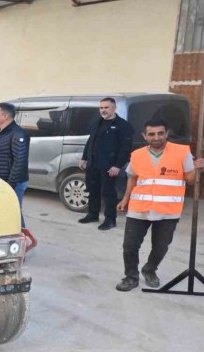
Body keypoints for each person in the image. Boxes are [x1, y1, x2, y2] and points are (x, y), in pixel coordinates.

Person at [115, 119, 204, 291]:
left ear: (167, 133)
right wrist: (125, 198)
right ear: (144, 136)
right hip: (139, 208)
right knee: (130, 246)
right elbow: (132, 177)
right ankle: (131, 276)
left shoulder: (182, 152)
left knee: (161, 247)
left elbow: (190, 180)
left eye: (160, 133)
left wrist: (196, 168)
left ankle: (150, 270)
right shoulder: (137, 154)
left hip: (167, 211)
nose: (156, 137)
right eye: (151, 134)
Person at [78, 97, 134, 230]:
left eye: (106, 107)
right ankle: (93, 214)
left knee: (108, 193)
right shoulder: (97, 122)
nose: (103, 110)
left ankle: (110, 219)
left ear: (114, 108)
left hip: (109, 166)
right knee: (92, 190)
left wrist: (118, 166)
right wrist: (84, 157)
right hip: (93, 164)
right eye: (101, 108)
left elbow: (126, 148)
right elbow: (90, 141)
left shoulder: (122, 125)